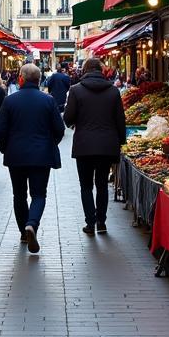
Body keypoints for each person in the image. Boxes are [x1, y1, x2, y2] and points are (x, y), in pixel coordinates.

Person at [0, 63, 65, 254]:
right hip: (41, 155)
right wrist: (50, 144)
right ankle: (32, 224)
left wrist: (5, 149)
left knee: (19, 194)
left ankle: (23, 232)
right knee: (39, 194)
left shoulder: (10, 101)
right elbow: (59, 128)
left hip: (16, 155)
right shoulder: (48, 100)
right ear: (39, 80)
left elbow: (0, 130)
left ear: (21, 78)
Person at [63, 57, 126, 236]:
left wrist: (76, 121)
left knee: (86, 186)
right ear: (101, 71)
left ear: (85, 71)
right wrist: (120, 141)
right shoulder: (113, 92)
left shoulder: (76, 90)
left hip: (84, 145)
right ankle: (101, 222)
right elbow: (120, 120)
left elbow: (68, 118)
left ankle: (90, 223)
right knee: (102, 185)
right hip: (106, 145)